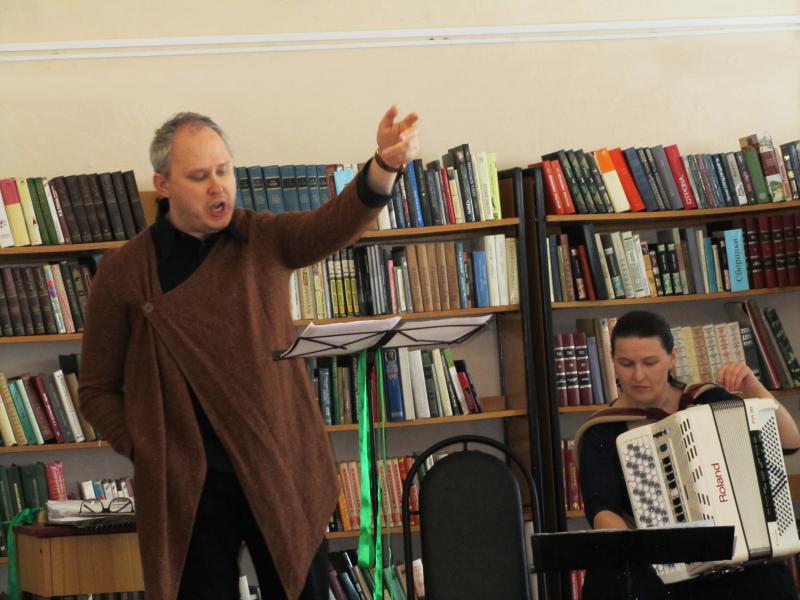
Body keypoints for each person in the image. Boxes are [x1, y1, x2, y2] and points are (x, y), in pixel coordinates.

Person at [79, 106, 420, 600]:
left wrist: (384, 166)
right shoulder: (126, 272)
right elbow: (96, 390)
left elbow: (334, 223)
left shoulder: (263, 238)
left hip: (277, 467)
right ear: (163, 185)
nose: (217, 186)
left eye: (224, 170)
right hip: (189, 487)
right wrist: (150, 447)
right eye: (199, 176)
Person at [576, 309, 800, 600]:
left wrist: (752, 385)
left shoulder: (707, 398)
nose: (638, 375)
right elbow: (602, 510)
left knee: (771, 585)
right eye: (626, 363)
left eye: (650, 362)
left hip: (744, 564)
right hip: (668, 575)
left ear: (672, 357)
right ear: (613, 361)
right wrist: (643, 551)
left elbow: (790, 442)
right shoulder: (601, 431)